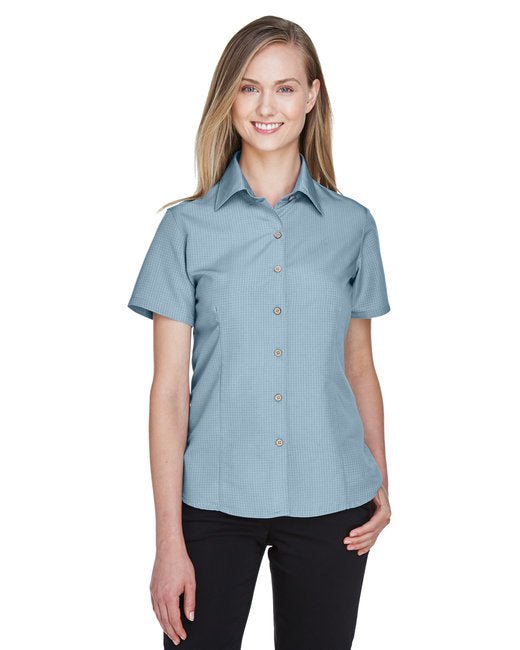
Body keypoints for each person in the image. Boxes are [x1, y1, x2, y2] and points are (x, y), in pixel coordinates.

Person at [127, 15, 392, 650]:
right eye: (249, 88)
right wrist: (168, 540)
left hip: (333, 497)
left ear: (312, 96)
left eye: (284, 88)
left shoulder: (353, 226)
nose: (266, 106)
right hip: (214, 501)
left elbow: (359, 368)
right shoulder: (185, 229)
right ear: (229, 98)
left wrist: (381, 479)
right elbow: (169, 391)